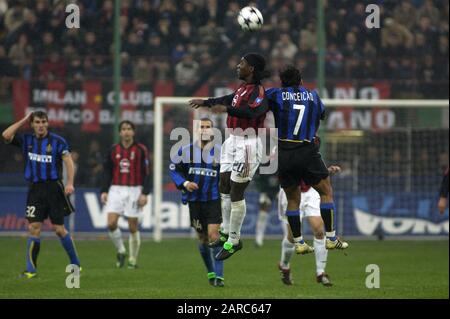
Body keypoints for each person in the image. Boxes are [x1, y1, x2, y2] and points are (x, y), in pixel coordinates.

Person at [189, 52, 270, 260]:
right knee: (223, 184)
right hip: (232, 140)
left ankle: (234, 240)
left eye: (242, 63)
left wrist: (227, 110)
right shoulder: (242, 89)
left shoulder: (259, 91)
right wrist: (207, 102)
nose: (237, 66)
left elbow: (255, 112)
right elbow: (228, 100)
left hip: (248, 143)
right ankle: (225, 229)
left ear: (251, 69)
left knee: (236, 191)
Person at [266, 65, 348, 254]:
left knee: (292, 199)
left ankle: (299, 242)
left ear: (282, 82)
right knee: (326, 191)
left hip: (285, 153)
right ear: (301, 80)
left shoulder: (275, 94)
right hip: (307, 150)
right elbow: (322, 115)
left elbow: (261, 103)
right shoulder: (313, 96)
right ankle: (331, 238)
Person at [2, 111, 80, 278]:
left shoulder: (58, 142)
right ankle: (31, 270)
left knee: (59, 230)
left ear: (47, 123)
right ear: (32, 124)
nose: (40, 125)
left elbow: (68, 161)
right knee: (33, 228)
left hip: (54, 189)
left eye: (43, 122)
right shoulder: (26, 140)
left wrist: (70, 183)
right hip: (35, 190)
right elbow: (6, 135)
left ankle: (76, 264)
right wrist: (24, 119)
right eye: (37, 122)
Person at [169, 118, 225, 287]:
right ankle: (210, 271)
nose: (205, 130)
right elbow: (174, 169)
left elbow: (228, 174)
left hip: (213, 200)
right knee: (203, 239)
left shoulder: (220, 152)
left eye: (208, 127)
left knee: (214, 237)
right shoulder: (185, 151)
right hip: (195, 202)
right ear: (197, 130)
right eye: (202, 127)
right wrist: (186, 183)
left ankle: (219, 278)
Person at [277, 165, 342, 287]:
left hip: (311, 191)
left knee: (319, 231)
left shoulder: (310, 145)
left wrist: (325, 171)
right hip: (291, 191)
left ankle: (320, 272)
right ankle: (284, 265)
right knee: (291, 237)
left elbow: (312, 163)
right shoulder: (283, 147)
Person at [100, 121, 150, 269]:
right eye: (123, 129)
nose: (126, 132)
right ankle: (121, 250)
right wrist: (104, 190)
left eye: (129, 129)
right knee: (111, 223)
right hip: (115, 189)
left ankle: (133, 260)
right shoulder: (113, 150)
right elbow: (106, 172)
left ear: (133, 132)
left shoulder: (141, 150)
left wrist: (145, 193)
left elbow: (147, 173)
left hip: (134, 190)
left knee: (132, 227)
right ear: (120, 133)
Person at [253, 171, 279, 248]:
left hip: (280, 189)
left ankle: (289, 238)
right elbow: (258, 177)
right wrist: (263, 190)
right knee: (263, 214)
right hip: (266, 190)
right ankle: (258, 239)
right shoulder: (264, 162)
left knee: (285, 213)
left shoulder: (281, 160)